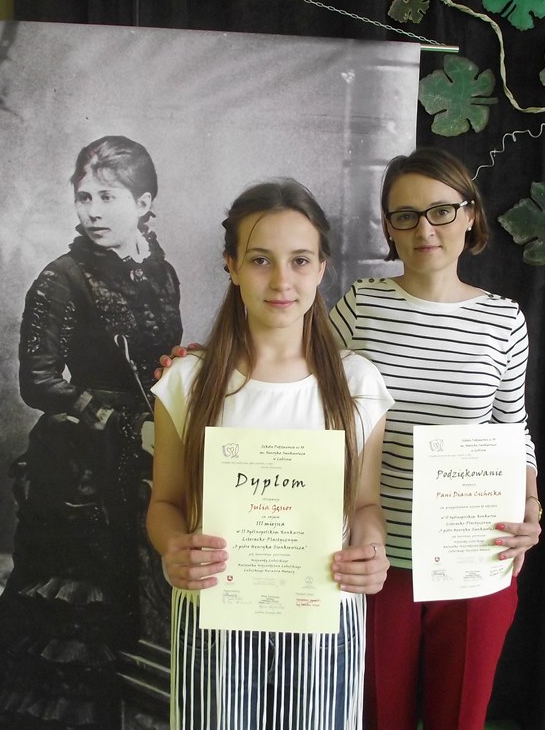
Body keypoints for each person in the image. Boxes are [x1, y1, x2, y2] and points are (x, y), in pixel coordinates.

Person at [146, 178, 394, 730]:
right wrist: (173, 548)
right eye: (260, 260)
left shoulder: (357, 383)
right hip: (216, 626)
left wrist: (372, 550)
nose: (282, 280)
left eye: (300, 260)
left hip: (323, 626)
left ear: (322, 268)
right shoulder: (187, 382)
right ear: (232, 266)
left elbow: (364, 505)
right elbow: (165, 503)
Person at [0, 135, 183, 729]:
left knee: (138, 605)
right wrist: (121, 423)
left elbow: (162, 363)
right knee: (76, 608)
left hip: (146, 452)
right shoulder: (60, 279)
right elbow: (37, 381)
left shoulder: (162, 275)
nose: (92, 211)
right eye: (84, 197)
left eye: (107, 197)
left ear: (144, 203)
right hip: (78, 467)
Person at [327, 146, 542, 730]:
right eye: (406, 216)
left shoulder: (505, 320)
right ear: (389, 228)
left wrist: (530, 503)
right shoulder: (360, 306)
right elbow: (297, 378)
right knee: (378, 718)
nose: (425, 229)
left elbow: (513, 429)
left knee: (460, 720)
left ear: (470, 215)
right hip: (379, 560)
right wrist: (201, 363)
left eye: (442, 211)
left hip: (475, 556)